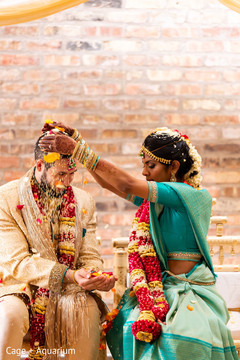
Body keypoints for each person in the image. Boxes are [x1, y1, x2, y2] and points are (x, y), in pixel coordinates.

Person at [39, 124, 238, 360]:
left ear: (174, 166)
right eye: (143, 165)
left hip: (188, 290)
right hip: (162, 287)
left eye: (150, 166)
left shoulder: (188, 195)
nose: (144, 173)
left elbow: (127, 184)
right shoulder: (159, 200)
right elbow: (109, 184)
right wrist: (77, 143)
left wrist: (79, 150)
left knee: (176, 339)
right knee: (127, 325)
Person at [0, 124, 116, 360]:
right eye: (61, 175)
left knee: (88, 311)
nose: (67, 183)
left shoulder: (83, 201)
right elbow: (17, 262)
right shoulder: (6, 199)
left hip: (71, 288)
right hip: (20, 286)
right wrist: (71, 275)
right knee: (9, 317)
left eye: (72, 174)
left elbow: (90, 255)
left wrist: (96, 275)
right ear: (40, 166)